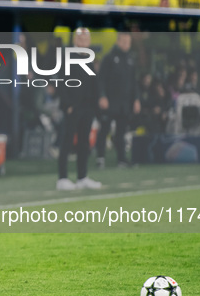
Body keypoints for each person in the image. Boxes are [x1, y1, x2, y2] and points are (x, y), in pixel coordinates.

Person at [56, 28, 102, 190]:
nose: (83, 42)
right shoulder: (67, 56)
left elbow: (93, 83)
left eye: (86, 39)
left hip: (87, 107)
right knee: (67, 141)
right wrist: (67, 104)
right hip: (73, 107)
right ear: (76, 40)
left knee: (84, 143)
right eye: (81, 39)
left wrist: (97, 104)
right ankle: (62, 178)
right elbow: (61, 81)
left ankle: (82, 177)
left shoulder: (89, 58)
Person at [95, 32, 140, 168]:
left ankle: (121, 159)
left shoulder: (130, 59)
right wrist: (102, 96)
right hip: (110, 101)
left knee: (121, 131)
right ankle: (100, 157)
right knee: (104, 129)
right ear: (118, 42)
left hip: (124, 103)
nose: (126, 44)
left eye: (128, 42)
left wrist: (136, 99)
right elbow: (101, 79)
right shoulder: (109, 58)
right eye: (124, 42)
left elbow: (134, 82)